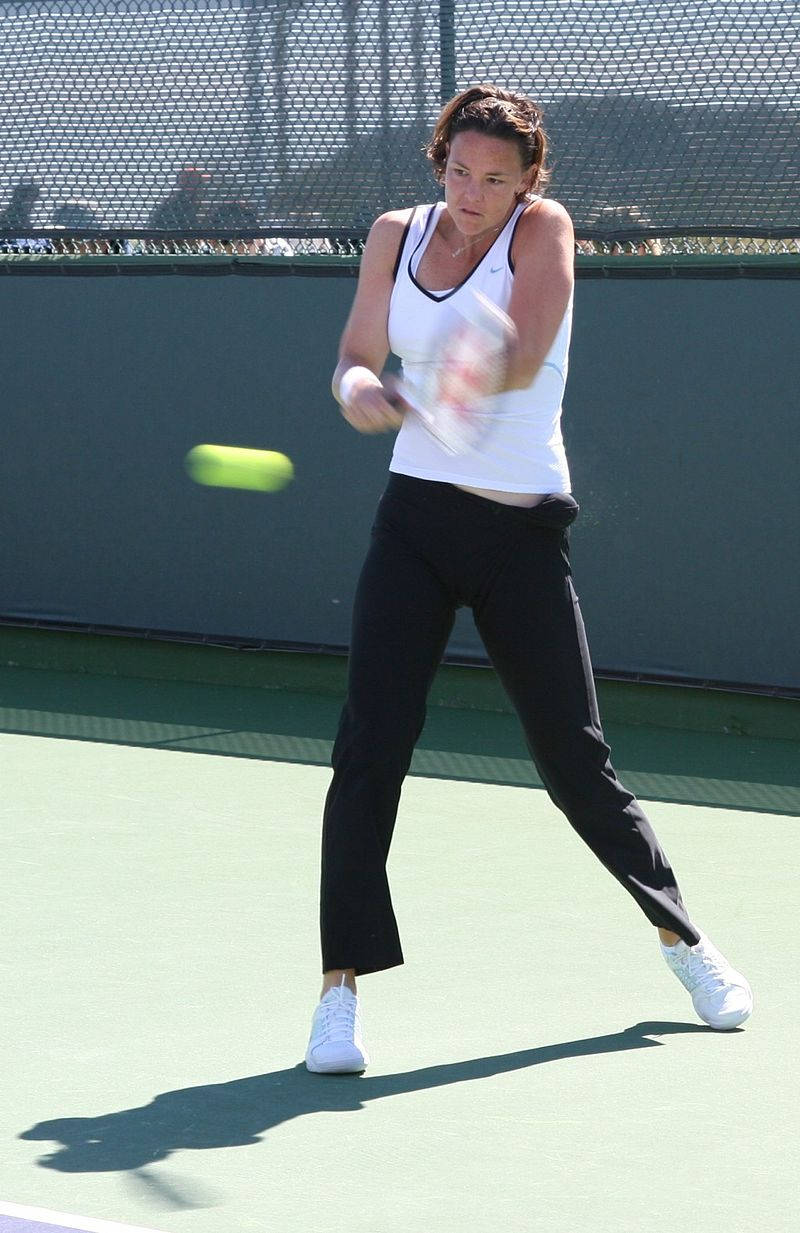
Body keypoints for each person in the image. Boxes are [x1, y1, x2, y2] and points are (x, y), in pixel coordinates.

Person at [305, 84, 752, 1075]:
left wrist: (447, 381)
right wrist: (358, 390)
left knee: (572, 759)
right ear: (438, 165)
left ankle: (686, 944)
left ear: (527, 182)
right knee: (368, 747)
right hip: (413, 521)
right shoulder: (391, 234)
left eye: (495, 180)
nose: (472, 195)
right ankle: (336, 996)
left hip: (517, 531)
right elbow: (352, 355)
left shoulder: (541, 231)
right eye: (458, 173)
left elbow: (525, 349)